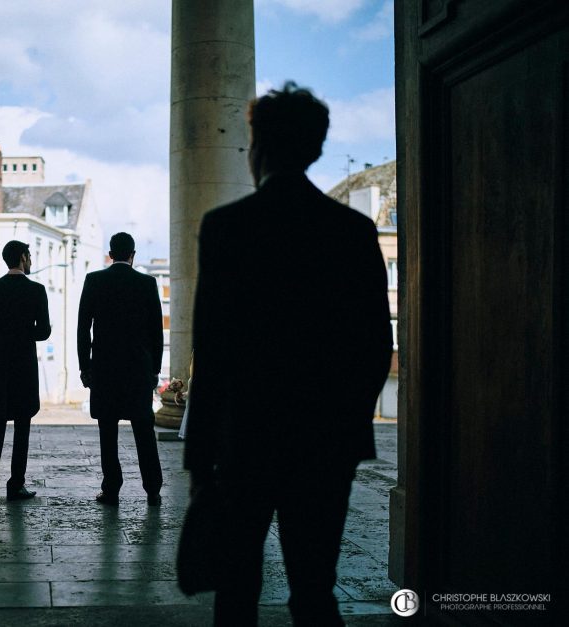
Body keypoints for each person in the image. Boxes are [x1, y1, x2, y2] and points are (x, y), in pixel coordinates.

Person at [183, 82, 393, 626]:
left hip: (244, 437)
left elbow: (212, 352)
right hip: (326, 441)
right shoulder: (353, 230)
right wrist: (344, 421)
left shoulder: (227, 227)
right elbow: (375, 346)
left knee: (236, 591)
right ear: (316, 148)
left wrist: (198, 456)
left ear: (257, 146)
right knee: (315, 589)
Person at [78, 232, 164, 506]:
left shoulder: (94, 281)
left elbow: (83, 329)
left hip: (105, 370)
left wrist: (85, 367)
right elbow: (156, 332)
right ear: (133, 255)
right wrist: (155, 369)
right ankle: (152, 488)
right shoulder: (147, 283)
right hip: (138, 370)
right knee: (144, 430)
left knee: (108, 431)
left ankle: (112, 488)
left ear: (110, 254)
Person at [0, 240, 51, 501]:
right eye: (29, 256)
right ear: (22, 257)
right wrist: (22, 332)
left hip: (0, 364)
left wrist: (4, 331)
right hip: (24, 366)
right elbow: (43, 331)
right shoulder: (36, 290)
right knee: (22, 425)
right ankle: (15, 484)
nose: (30, 261)